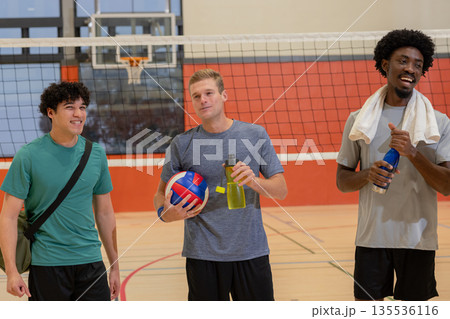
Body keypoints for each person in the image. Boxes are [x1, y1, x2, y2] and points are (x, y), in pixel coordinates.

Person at [153, 68, 287, 301]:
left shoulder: (255, 134)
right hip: (202, 255)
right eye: (196, 96)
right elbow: (159, 194)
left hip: (251, 252)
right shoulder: (181, 143)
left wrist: (254, 181)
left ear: (224, 95)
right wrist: (165, 214)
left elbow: (281, 190)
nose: (203, 100)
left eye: (209, 93)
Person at [336, 29, 450, 301]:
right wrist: (367, 174)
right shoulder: (359, 120)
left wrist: (413, 152)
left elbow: (446, 185)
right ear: (385, 64)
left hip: (418, 241)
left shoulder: (439, 122)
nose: (410, 68)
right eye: (403, 61)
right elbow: (342, 181)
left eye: (418, 65)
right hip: (371, 239)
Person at [0, 82, 120, 301]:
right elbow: (7, 217)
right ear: (50, 112)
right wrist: (11, 272)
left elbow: (104, 213)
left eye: (82, 107)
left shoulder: (96, 154)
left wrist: (114, 266)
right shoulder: (28, 156)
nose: (78, 114)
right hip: (47, 265)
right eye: (69, 107)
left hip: (91, 263)